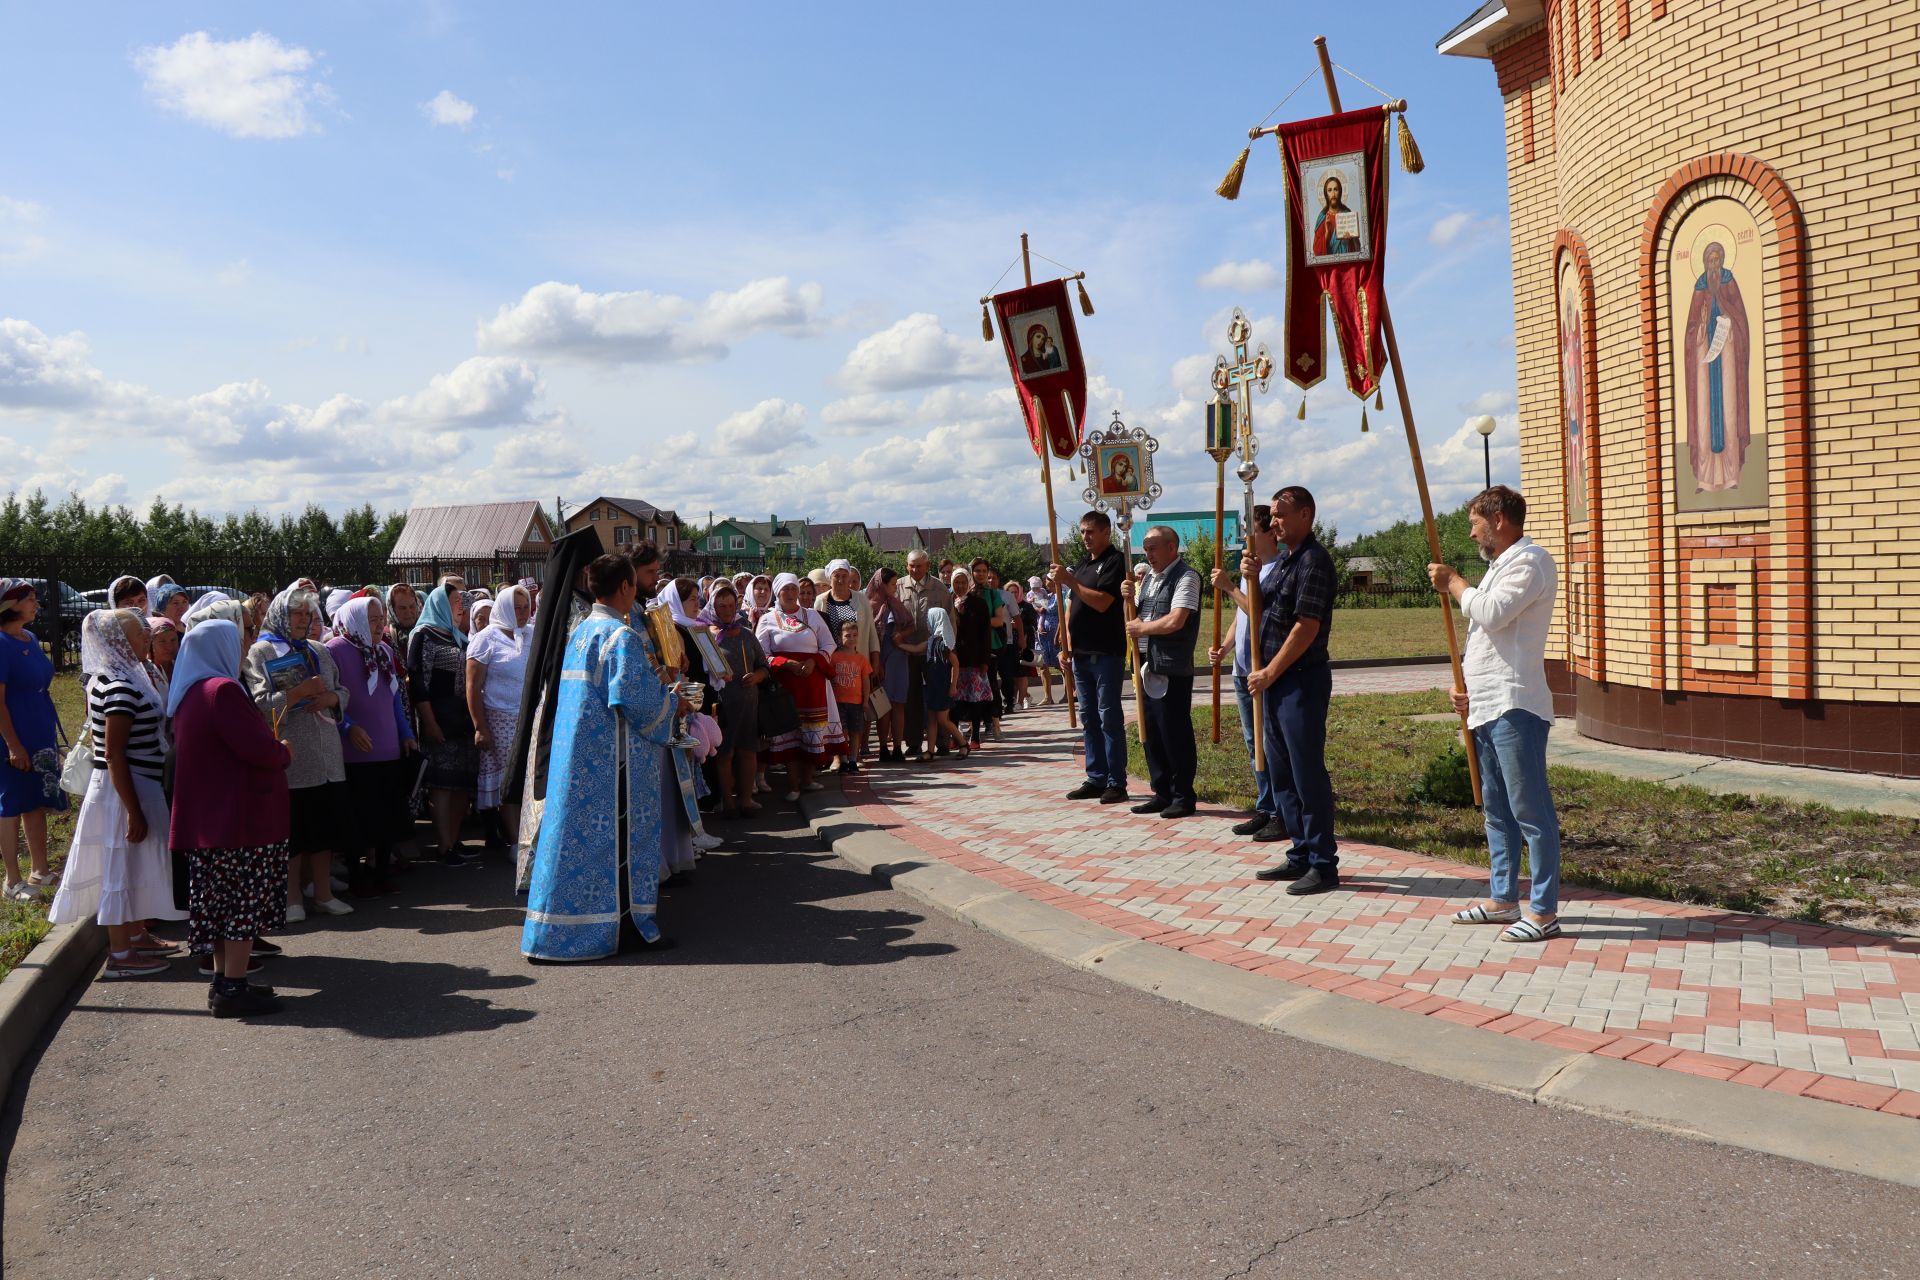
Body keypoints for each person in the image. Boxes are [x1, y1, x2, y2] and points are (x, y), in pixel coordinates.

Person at [520, 554, 692, 961]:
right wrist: (674, 704)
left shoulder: (581, 631)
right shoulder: (620, 637)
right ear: (625, 588)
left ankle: (561, 932)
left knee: (581, 851)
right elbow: (639, 705)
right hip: (616, 770)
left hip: (581, 765)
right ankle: (629, 928)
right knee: (619, 848)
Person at [1428, 485, 1564, 943]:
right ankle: (1504, 898)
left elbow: (1494, 614)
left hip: (1517, 706)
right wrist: (1467, 686)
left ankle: (1544, 911)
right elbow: (1487, 643)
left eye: (1475, 523)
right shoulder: (1498, 567)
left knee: (1531, 812)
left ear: (1499, 520)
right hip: (1488, 704)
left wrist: (1453, 583)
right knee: (1497, 810)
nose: (1472, 534)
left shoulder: (1531, 561)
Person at [47, 610, 187, 976]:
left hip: (137, 784)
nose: (146, 639)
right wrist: (134, 810)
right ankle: (121, 957)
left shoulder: (129, 675)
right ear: (118, 642)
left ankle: (137, 934)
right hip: (124, 790)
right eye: (138, 635)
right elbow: (113, 754)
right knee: (120, 869)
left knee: (135, 863)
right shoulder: (119, 685)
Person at [170, 618, 294, 1016]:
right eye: (237, 640)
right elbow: (258, 750)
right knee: (241, 903)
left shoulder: (192, 691)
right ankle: (233, 988)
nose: (243, 647)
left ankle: (226, 983)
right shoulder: (222, 691)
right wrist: (283, 750)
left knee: (222, 906)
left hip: (213, 819)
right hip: (237, 819)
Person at [1247, 486, 1340, 894]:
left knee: (1306, 775)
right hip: (1276, 682)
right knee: (1281, 772)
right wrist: (1250, 579)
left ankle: (1323, 863)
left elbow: (1306, 627)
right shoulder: (1285, 561)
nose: (1274, 522)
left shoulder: (1314, 562)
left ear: (1306, 515)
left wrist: (1269, 671)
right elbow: (1260, 611)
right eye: (1271, 515)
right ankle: (1300, 852)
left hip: (1300, 680)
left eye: (1281, 515)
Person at [246, 588, 354, 921]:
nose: (304, 621)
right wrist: (297, 693)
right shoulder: (262, 651)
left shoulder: (320, 650)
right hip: (293, 757)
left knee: (323, 833)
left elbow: (341, 690)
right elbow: (261, 706)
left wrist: (332, 700)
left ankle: (323, 893)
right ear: (281, 614)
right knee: (293, 833)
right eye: (297, 614)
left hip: (326, 755)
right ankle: (291, 898)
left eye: (308, 615)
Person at [326, 595, 417, 897]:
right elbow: (331, 699)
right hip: (356, 751)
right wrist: (348, 728)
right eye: (372, 619)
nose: (379, 625)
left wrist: (405, 733)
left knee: (386, 815)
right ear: (355, 620)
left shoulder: (383, 650)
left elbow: (393, 699)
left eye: (380, 619)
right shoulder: (336, 650)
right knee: (358, 818)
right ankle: (356, 876)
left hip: (387, 745)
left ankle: (380, 874)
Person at [1209, 505, 1285, 839]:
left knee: (1271, 742)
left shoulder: (1277, 568)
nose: (1244, 536)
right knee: (1254, 742)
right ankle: (1265, 805)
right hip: (1242, 668)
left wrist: (1228, 587)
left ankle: (1282, 811)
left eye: (1250, 529)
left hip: (1264, 669)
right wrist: (1226, 647)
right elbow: (1242, 618)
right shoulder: (1249, 568)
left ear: (1270, 533)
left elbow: (1258, 611)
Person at [1048, 510, 1128, 804]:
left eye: (1090, 531)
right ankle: (1096, 776)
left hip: (1106, 651)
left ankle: (1116, 781)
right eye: (1082, 531)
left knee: (1109, 717)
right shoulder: (1083, 564)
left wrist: (1069, 579)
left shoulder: (1114, 562)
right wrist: (1065, 643)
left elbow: (1104, 602)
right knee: (1089, 718)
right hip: (1080, 654)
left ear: (1106, 532)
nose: (1085, 537)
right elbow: (1072, 605)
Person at [1122, 526, 1201, 819]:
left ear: (1171, 548)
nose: (1148, 554)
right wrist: (1127, 598)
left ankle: (1183, 795)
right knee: (1151, 729)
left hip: (1171, 665)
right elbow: (1134, 620)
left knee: (1174, 731)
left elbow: (1176, 620)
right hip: (1145, 663)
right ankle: (1162, 790)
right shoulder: (1151, 580)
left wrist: (1142, 628)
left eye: (1153, 547)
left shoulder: (1187, 577)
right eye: (1145, 548)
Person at [0, 580, 67, 902]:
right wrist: (13, 745)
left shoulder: (31, 637)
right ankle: (12, 881)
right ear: (9, 604)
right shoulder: (0, 643)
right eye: (30, 599)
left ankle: (39, 869)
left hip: (40, 730)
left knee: (36, 801)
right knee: (12, 804)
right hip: (13, 735)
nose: (36, 604)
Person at [409, 584, 480, 865]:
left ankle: (454, 839)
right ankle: (443, 845)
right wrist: (429, 722)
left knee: (461, 785)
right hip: (440, 719)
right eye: (453, 601)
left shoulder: (456, 635)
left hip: (462, 720)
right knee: (442, 786)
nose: (460, 605)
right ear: (439, 604)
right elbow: (418, 682)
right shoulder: (424, 636)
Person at [756, 573, 844, 799]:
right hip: (785, 686)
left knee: (810, 731)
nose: (790, 593)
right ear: (777, 592)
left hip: (812, 683)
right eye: (785, 589)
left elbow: (829, 644)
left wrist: (814, 661)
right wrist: (786, 663)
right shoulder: (767, 619)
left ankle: (808, 779)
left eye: (793, 588)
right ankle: (793, 785)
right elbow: (761, 654)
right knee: (790, 732)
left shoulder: (813, 616)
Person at [468, 584, 532, 854]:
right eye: (515, 607)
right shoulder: (486, 638)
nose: (521, 612)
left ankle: (531, 838)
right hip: (500, 719)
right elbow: (472, 686)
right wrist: (480, 727)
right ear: (503, 607)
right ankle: (516, 843)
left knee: (530, 778)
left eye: (525, 606)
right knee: (510, 781)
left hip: (530, 716)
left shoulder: (533, 633)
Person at [698, 581, 768, 817]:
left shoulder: (747, 634)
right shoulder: (706, 636)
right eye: (722, 606)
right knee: (725, 753)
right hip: (723, 704)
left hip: (749, 701)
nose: (727, 611)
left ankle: (746, 800)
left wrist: (757, 676)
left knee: (748, 750)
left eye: (731, 605)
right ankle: (728, 802)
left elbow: (764, 666)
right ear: (713, 607)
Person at [896, 550, 951, 760]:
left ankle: (942, 741)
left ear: (928, 566)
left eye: (919, 566)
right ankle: (913, 742)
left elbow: (949, 622)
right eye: (911, 565)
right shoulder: (898, 587)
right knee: (911, 698)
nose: (915, 569)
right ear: (906, 566)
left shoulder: (939, 589)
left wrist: (948, 650)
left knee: (937, 697)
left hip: (934, 653)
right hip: (907, 652)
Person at [867, 567, 911, 762]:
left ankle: (898, 748)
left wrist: (901, 635)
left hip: (898, 658)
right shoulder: (869, 605)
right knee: (882, 706)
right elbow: (868, 637)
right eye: (892, 584)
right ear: (881, 584)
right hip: (880, 659)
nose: (895, 587)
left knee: (899, 704)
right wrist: (876, 663)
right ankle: (883, 747)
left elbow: (911, 625)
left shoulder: (896, 604)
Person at [949, 568, 994, 748]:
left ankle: (975, 736)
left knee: (974, 700)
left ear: (969, 583)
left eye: (963, 582)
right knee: (955, 700)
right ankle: (954, 737)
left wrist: (985, 661)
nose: (959, 586)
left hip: (974, 659)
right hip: (954, 659)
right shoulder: (947, 603)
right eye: (956, 583)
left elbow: (985, 634)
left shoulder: (979, 603)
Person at [920, 605, 966, 759]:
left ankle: (963, 744)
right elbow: (916, 648)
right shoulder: (931, 641)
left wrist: (953, 686)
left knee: (942, 719)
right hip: (932, 687)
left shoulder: (944, 644)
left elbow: (956, 664)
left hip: (943, 687)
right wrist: (900, 645)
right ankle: (930, 750)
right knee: (931, 719)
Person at [827, 619, 871, 774]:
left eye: (854, 635)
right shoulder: (835, 657)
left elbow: (866, 681)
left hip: (856, 702)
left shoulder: (861, 659)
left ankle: (853, 759)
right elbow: (830, 678)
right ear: (840, 638)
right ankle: (843, 760)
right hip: (839, 702)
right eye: (847, 635)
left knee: (855, 732)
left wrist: (865, 700)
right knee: (842, 732)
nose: (851, 639)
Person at [1029, 576, 1060, 706]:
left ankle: (1072, 692)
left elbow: (1044, 609)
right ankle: (1048, 697)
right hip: (1042, 635)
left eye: (1048, 581)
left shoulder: (1059, 595)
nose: (1046, 585)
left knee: (1060, 664)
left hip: (1054, 634)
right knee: (1043, 664)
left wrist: (1058, 634)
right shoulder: (1048, 595)